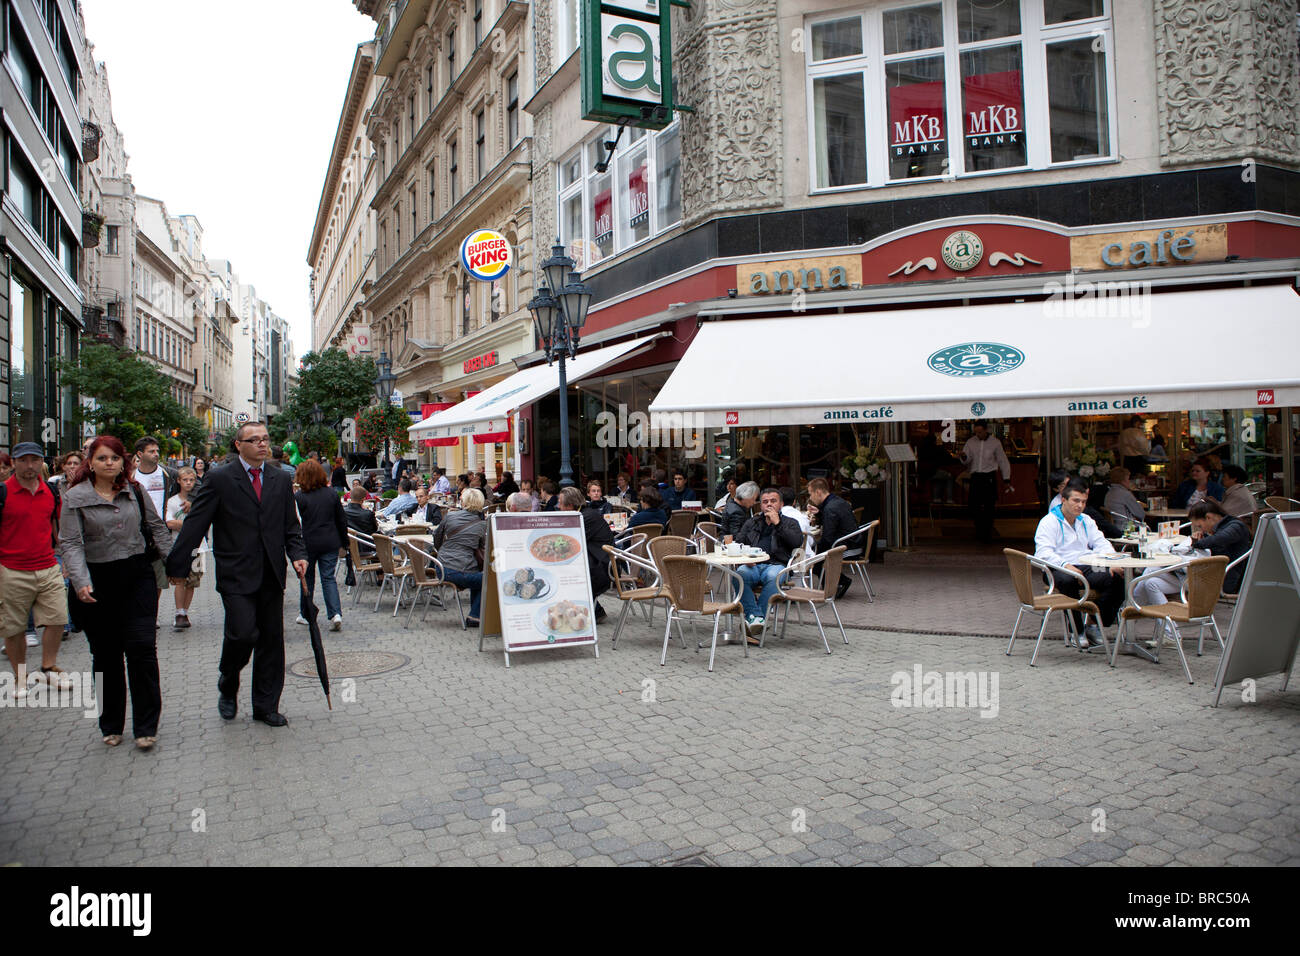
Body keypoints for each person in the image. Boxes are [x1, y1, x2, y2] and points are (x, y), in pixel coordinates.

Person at [164, 421, 307, 727]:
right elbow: (197, 522)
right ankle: (228, 680)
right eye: (254, 440)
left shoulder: (280, 479)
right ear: (238, 445)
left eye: (265, 439)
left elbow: (289, 525)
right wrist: (177, 564)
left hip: (271, 570)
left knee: (271, 640)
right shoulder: (219, 478)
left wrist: (298, 554)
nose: (261, 444)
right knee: (242, 632)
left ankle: (265, 705)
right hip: (236, 571)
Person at [60, 436, 173, 748]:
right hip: (97, 582)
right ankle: (110, 723)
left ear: (124, 461)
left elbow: (157, 527)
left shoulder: (135, 491)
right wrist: (80, 580)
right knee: (106, 656)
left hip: (137, 577)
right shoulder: (74, 497)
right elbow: (70, 542)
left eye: (114, 458)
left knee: (142, 651)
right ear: (91, 463)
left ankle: (146, 726)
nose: (109, 463)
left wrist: (176, 564)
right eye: (102, 458)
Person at [1, 441, 73, 696]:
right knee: (14, 627)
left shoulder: (51, 492)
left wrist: (64, 560)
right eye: (23, 460)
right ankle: (20, 677)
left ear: (41, 462)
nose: (29, 466)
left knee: (57, 619)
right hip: (11, 569)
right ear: (14, 463)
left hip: (47, 565)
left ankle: (48, 667)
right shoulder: (3, 493)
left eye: (34, 460)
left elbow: (57, 530)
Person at [1033, 477, 1123, 648]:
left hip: (1086, 565)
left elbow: (1101, 543)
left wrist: (1111, 560)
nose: (1080, 505)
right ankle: (1076, 629)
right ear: (1064, 500)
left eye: (1083, 502)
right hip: (1056, 567)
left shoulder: (1086, 520)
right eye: (1075, 501)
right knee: (1068, 580)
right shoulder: (1049, 521)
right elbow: (1043, 552)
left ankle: (1094, 624)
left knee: (1118, 578)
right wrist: (1065, 565)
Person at [1133, 499, 1251, 620]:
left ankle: (1133, 608)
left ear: (1209, 517)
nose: (1201, 529)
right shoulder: (1221, 528)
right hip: (1202, 576)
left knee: (1152, 569)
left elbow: (1219, 539)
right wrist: (1198, 539)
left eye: (1200, 526)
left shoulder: (1236, 526)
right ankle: (1169, 631)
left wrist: (1193, 545)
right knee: (1151, 583)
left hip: (1219, 580)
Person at [734, 487, 805, 638]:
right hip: (752, 565)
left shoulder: (790, 523)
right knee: (739, 575)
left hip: (777, 564)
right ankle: (757, 617)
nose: (769, 505)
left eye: (773, 501)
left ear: (780, 504)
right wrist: (745, 558)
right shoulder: (752, 522)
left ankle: (754, 619)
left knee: (775, 576)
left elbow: (796, 543)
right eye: (765, 502)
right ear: (760, 505)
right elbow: (739, 542)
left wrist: (778, 524)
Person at [294, 459, 348, 632]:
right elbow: (341, 519)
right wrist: (344, 542)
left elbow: (295, 523)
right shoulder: (331, 494)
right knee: (328, 578)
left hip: (308, 543)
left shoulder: (299, 497)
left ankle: (306, 613)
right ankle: (335, 613)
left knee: (307, 579)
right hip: (329, 541)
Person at [558, 486, 614, 622]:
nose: (558, 507)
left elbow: (568, 543)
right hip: (596, 559)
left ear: (570, 505)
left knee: (568, 573)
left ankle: (593, 611)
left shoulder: (585, 517)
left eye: (560, 503)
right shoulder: (582, 514)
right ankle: (596, 610)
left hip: (603, 565)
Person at [433, 488, 486, 627]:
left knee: (479, 579)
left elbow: (436, 536)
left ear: (464, 502)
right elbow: (483, 548)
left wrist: (442, 552)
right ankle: (475, 616)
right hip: (463, 570)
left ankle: (476, 615)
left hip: (442, 568)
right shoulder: (482, 525)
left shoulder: (450, 516)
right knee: (486, 580)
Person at [164, 466, 203, 629]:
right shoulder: (172, 501)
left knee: (192, 581)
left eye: (191, 480)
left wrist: (189, 525)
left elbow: (203, 522)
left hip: (198, 547)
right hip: (177, 545)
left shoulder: (199, 502)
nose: (188, 483)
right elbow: (170, 523)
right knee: (179, 579)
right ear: (178, 481)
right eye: (185, 480)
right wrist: (190, 525)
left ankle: (185, 612)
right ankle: (179, 612)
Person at [960, 422, 1012, 544]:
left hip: (989, 476)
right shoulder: (971, 442)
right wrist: (963, 457)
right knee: (974, 505)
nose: (978, 435)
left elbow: (1002, 460)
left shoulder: (995, 442)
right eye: (976, 432)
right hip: (976, 476)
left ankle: (987, 532)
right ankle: (979, 530)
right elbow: (967, 460)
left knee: (989, 506)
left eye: (980, 432)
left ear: (986, 430)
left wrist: (1006, 479)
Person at [807, 477, 857, 599]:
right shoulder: (835, 501)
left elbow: (828, 538)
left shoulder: (830, 508)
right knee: (816, 555)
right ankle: (835, 584)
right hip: (853, 541)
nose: (810, 498)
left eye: (811, 494)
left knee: (814, 561)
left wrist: (813, 546)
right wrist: (819, 512)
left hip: (847, 546)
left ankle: (839, 583)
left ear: (818, 492)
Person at [133, 436, 176, 520]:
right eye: (152, 451)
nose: (156, 454)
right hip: (140, 528)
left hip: (163, 527)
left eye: (157, 451)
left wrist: (189, 501)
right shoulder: (131, 478)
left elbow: (196, 486)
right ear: (140, 454)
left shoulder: (170, 474)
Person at [1103, 466, 1146, 531]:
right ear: (1123, 481)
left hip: (1114, 527)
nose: (1129, 481)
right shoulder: (1125, 494)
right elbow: (1141, 514)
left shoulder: (1109, 493)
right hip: (1127, 529)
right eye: (1128, 479)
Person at [779, 486, 814, 554]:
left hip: (786, 557)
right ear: (794, 502)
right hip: (804, 558)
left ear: (779, 502)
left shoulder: (776, 517)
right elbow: (810, 541)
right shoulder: (802, 517)